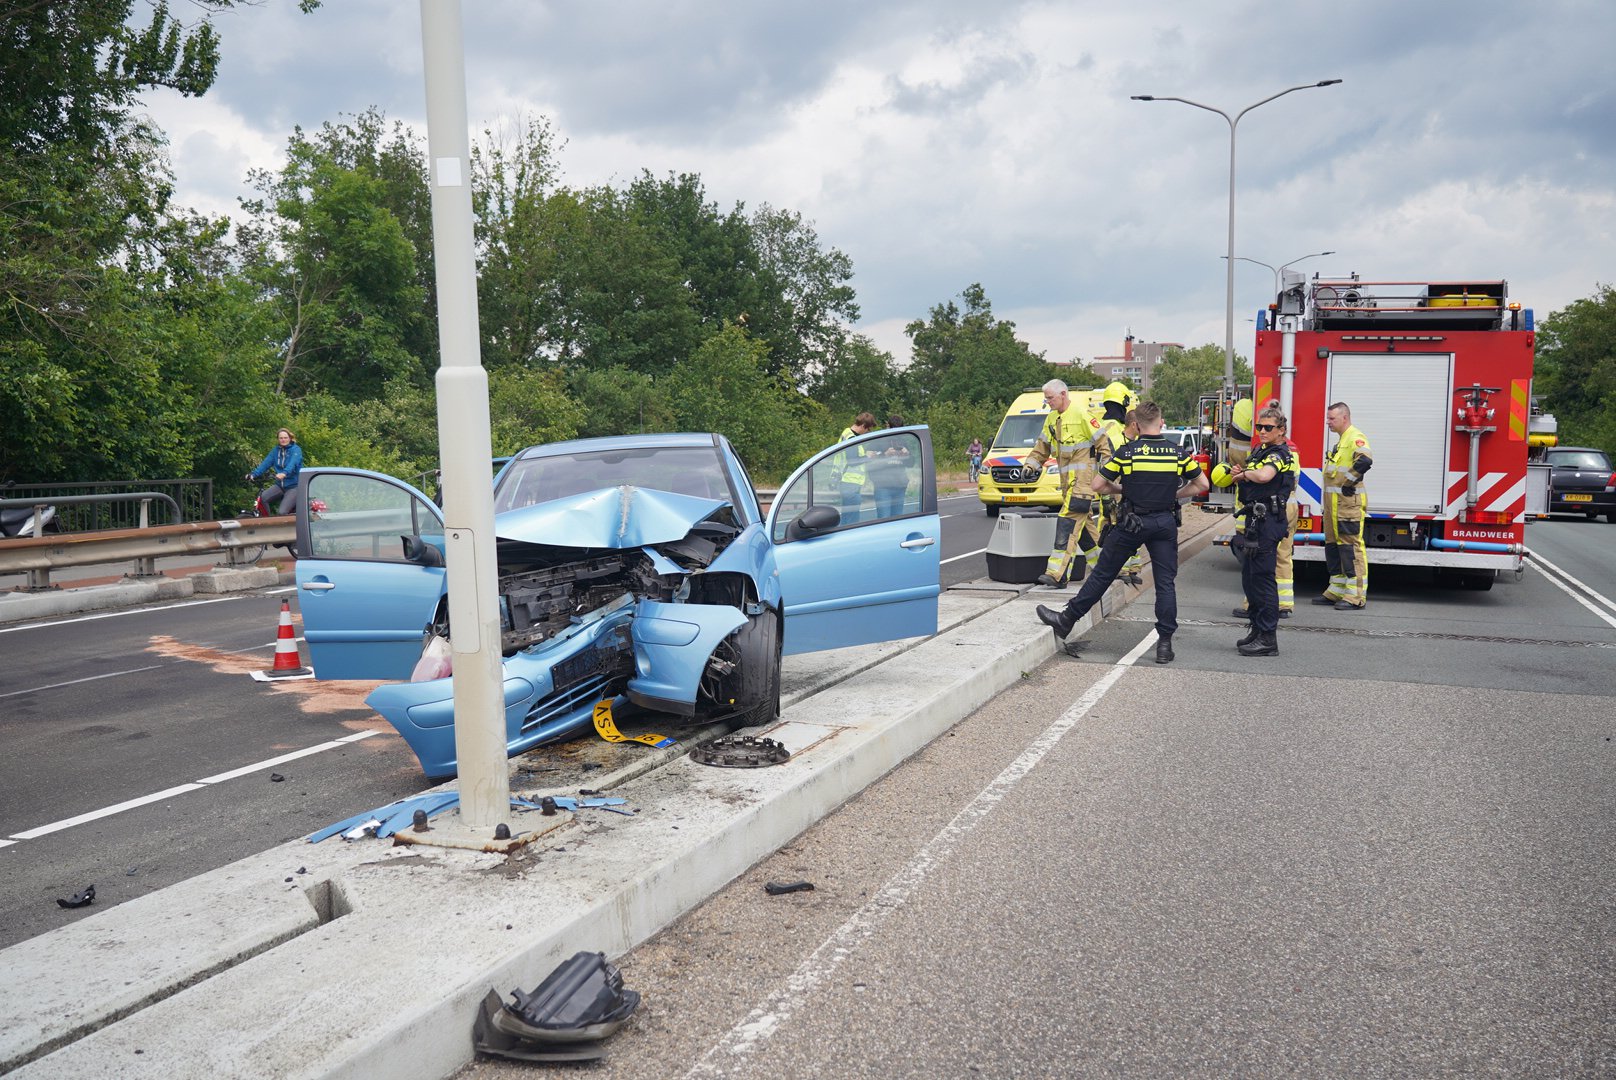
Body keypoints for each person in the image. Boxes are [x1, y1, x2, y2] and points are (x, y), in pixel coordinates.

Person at [1036, 401, 1208, 664]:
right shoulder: (1176, 453)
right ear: (1160, 422)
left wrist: (1122, 490)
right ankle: (1164, 644)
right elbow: (1201, 484)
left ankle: (1067, 619)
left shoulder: (1129, 453)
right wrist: (1175, 494)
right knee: (1165, 584)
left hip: (1132, 523)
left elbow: (1097, 485)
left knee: (1103, 573)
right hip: (1164, 523)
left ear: (1136, 425)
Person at [1020, 379, 1109, 588]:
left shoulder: (1081, 414)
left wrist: (1107, 476)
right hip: (1068, 485)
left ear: (1063, 394)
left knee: (1066, 522)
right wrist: (1030, 466)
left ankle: (1056, 574)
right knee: (1084, 531)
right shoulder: (1052, 418)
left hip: (1083, 484)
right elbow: (1042, 446)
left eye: (1050, 397)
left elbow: (1104, 444)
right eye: (1046, 398)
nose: (1047, 401)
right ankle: (1105, 569)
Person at [1229, 406, 1298, 656]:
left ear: (1281, 430)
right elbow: (1253, 473)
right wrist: (1242, 472)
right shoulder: (1260, 450)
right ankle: (1257, 629)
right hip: (1255, 520)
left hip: (1269, 521)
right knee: (1250, 579)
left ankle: (1268, 638)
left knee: (1264, 579)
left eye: (1268, 428)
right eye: (1259, 427)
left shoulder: (1280, 452)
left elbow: (1264, 476)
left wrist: (1244, 474)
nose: (1262, 431)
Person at [1312, 401, 1373, 610]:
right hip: (1334, 506)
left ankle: (1356, 596)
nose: (1328, 422)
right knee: (1333, 547)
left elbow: (1364, 460)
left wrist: (1349, 482)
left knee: (1351, 548)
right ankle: (1337, 590)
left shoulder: (1355, 437)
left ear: (1344, 418)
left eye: (1332, 419)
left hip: (1348, 505)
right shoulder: (1341, 441)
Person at [246, 427, 303, 515]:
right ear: (278, 439)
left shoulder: (296, 450)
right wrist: (253, 474)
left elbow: (293, 463)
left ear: (290, 438)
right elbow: (265, 464)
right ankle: (267, 521)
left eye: (285, 438)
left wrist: (284, 473)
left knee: (281, 512)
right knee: (263, 498)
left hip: (294, 487)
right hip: (280, 485)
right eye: (281, 438)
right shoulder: (276, 451)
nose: (283, 440)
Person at [833, 412, 877, 524]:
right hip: (850, 483)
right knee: (852, 521)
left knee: (847, 518)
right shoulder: (851, 438)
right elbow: (852, 461)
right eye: (867, 430)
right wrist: (867, 456)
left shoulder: (847, 434)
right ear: (863, 426)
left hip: (847, 482)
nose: (867, 432)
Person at [870, 415, 914, 517]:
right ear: (887, 426)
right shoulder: (878, 439)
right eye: (894, 430)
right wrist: (884, 455)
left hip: (900, 486)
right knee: (884, 520)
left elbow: (911, 463)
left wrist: (907, 455)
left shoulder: (903, 441)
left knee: (897, 520)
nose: (896, 434)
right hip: (883, 487)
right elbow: (869, 461)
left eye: (898, 431)